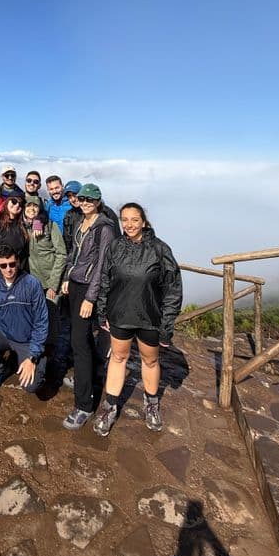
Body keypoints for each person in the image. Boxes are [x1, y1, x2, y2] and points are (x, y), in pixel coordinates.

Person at [92, 203, 183, 436]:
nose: (129, 225)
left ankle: (152, 404)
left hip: (150, 317)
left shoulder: (160, 249)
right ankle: (110, 405)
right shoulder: (115, 247)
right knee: (119, 357)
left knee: (150, 361)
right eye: (125, 220)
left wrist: (167, 324)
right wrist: (102, 311)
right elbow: (105, 280)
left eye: (134, 220)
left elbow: (172, 289)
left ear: (143, 221)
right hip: (120, 315)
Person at [60, 183, 117, 430]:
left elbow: (103, 265)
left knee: (79, 343)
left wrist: (90, 298)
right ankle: (91, 379)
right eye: (81, 199)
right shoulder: (83, 222)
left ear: (98, 202)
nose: (84, 203)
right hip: (74, 284)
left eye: (89, 200)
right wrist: (65, 277)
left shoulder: (104, 228)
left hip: (86, 290)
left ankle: (83, 405)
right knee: (81, 338)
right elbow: (74, 253)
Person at [0, 246, 48, 393]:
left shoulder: (32, 284)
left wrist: (32, 356)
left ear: (17, 262)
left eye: (12, 264)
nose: (9, 269)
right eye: (4, 265)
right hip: (3, 333)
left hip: (27, 338)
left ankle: (39, 361)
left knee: (32, 385)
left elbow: (41, 322)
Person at [23, 196, 69, 384]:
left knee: (51, 321)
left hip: (49, 282)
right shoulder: (23, 226)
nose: (32, 209)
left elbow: (61, 254)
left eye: (35, 206)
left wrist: (53, 284)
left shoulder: (49, 225)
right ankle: (32, 356)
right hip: (32, 282)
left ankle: (49, 361)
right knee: (33, 318)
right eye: (29, 205)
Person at [63, 180, 121, 254]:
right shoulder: (69, 215)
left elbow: (116, 239)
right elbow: (69, 242)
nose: (73, 199)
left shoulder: (107, 213)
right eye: (69, 196)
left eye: (75, 195)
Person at [0, 194, 29, 273]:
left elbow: (38, 211)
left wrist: (39, 222)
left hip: (19, 272)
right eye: (14, 201)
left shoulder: (22, 224)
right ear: (7, 202)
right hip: (2, 272)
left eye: (20, 204)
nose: (17, 205)